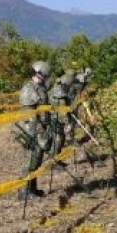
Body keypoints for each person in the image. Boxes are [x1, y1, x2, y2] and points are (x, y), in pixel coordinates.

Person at [17, 60, 52, 200]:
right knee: (30, 161)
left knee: (37, 159)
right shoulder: (28, 89)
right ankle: (24, 192)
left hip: (41, 128)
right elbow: (28, 114)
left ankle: (32, 188)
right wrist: (37, 129)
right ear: (40, 73)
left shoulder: (41, 87)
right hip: (31, 129)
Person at [49, 70, 75, 159]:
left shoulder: (55, 88)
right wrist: (68, 124)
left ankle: (57, 159)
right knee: (58, 140)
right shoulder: (61, 98)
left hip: (53, 117)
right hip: (55, 119)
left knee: (60, 139)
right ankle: (54, 161)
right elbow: (63, 113)